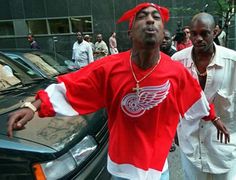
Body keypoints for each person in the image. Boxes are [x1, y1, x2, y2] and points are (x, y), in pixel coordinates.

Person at [7, 3, 229, 180]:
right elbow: (71, 85)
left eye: (156, 17)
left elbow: (195, 98)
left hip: (158, 168)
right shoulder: (109, 67)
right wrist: (32, 106)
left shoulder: (176, 72)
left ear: (163, 34)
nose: (150, 19)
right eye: (142, 16)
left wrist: (215, 118)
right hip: (122, 168)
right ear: (130, 32)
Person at [172, 12, 235, 180]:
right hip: (190, 143)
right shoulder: (177, 62)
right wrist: (174, 131)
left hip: (224, 147)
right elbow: (172, 101)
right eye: (194, 33)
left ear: (215, 32)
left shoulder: (233, 62)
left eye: (204, 33)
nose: (198, 38)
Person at [160, 29, 177, 152]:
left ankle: (170, 140)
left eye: (167, 38)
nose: (164, 40)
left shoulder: (177, 56)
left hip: (172, 92)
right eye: (162, 38)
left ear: (172, 40)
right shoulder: (153, 54)